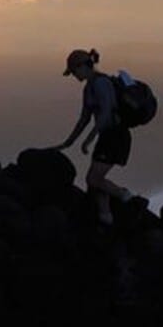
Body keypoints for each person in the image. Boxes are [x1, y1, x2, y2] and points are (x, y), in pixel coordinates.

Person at [53, 49, 147, 226]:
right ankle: (105, 218)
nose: (74, 75)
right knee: (94, 182)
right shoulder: (89, 88)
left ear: (83, 66)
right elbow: (84, 118)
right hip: (106, 137)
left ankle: (129, 198)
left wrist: (88, 139)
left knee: (93, 179)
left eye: (74, 71)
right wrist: (68, 143)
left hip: (115, 136)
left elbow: (105, 113)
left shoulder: (101, 84)